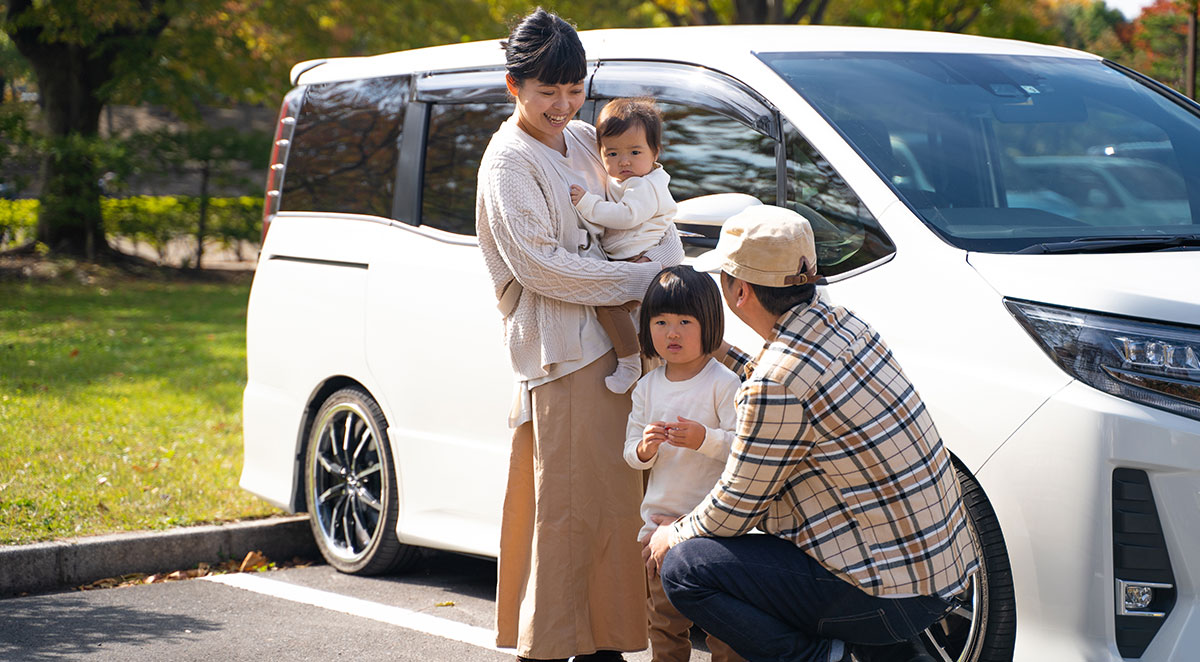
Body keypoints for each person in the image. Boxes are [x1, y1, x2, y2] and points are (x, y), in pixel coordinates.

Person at [642, 205, 980, 662]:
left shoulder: (776, 385)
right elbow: (790, 383)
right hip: (941, 576)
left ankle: (821, 658)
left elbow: (734, 509)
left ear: (738, 290)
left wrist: (673, 535)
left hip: (883, 596)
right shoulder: (847, 325)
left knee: (686, 568)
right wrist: (722, 351)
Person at [475, 8, 684, 662]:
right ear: (514, 86)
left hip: (613, 355)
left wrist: (657, 271)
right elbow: (541, 267)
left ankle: (606, 645)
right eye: (548, 91)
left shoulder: (582, 140)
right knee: (569, 519)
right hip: (565, 359)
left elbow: (631, 210)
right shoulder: (509, 160)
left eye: (573, 89)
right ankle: (554, 647)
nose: (564, 104)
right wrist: (636, 283)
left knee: (615, 512)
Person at [624, 265, 745, 662]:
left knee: (723, 628)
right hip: (659, 527)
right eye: (660, 321)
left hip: (713, 531)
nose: (671, 332)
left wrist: (703, 439)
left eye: (684, 321)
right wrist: (644, 449)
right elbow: (630, 454)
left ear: (708, 324)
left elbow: (741, 449)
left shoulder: (723, 383)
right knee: (663, 623)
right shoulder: (647, 385)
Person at [570, 98, 677, 394]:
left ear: (655, 152)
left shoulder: (644, 185)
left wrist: (587, 204)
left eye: (634, 151)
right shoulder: (626, 180)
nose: (624, 161)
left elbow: (627, 216)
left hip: (642, 265)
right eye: (612, 153)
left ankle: (629, 362)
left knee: (610, 305)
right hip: (633, 262)